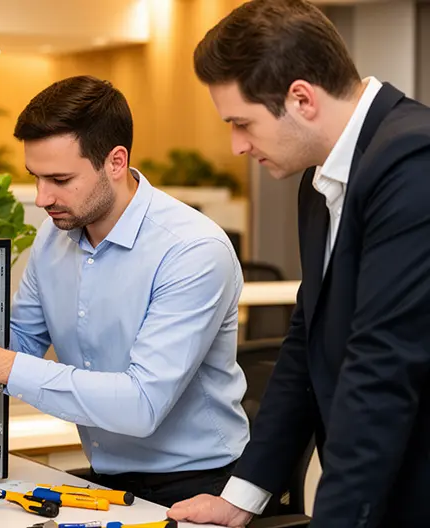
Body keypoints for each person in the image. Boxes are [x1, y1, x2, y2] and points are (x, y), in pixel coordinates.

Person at [0, 75, 250, 507]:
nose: (41, 198)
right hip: (105, 481)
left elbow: (141, 404)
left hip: (201, 488)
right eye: (35, 177)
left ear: (115, 162)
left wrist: (3, 364)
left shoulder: (192, 250)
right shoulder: (53, 236)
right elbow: (25, 347)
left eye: (59, 179)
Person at [166, 1, 430, 527]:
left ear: (302, 98)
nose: (237, 146)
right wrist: (242, 496)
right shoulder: (319, 178)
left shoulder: (414, 164)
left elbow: (382, 368)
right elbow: (308, 342)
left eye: (243, 123)